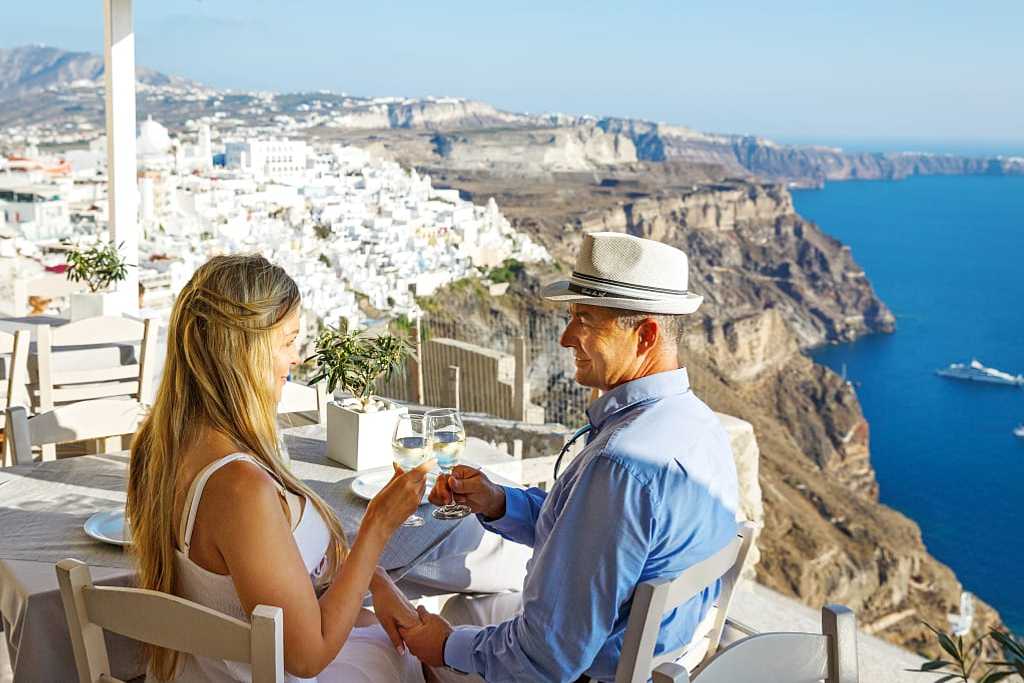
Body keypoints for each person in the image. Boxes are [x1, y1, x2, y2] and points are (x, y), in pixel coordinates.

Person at [400, 232, 741, 682]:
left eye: (584, 319)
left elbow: (545, 661)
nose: (565, 338)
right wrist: (499, 502)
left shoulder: (620, 464)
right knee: (465, 606)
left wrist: (443, 648)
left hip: (596, 669)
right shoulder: (697, 422)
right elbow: (595, 532)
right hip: (659, 643)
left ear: (646, 335)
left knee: (404, 652)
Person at [127, 254, 434, 682]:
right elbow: (307, 657)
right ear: (246, 351)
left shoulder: (161, 446)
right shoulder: (238, 487)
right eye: (288, 341)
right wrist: (378, 526)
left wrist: (376, 582)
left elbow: (268, 579)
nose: (296, 359)